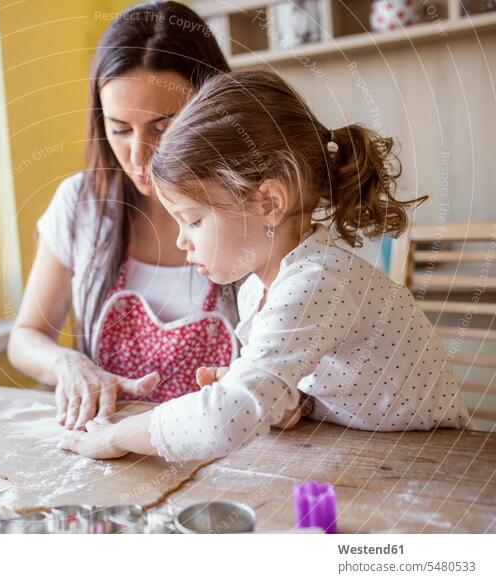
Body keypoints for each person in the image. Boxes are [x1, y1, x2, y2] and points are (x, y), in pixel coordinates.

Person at [58, 70, 471, 462]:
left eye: (194, 220)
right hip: (368, 453)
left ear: (269, 203)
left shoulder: (316, 282)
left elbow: (227, 420)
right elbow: (337, 382)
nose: (183, 240)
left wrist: (115, 435)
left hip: (435, 458)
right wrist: (294, 400)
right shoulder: (256, 287)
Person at [9, 2, 253, 432]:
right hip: (110, 448)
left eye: (163, 127)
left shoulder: (255, 210)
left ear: (213, 108)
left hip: (226, 452)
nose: (139, 156)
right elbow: (24, 337)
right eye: (120, 128)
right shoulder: (80, 204)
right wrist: (68, 364)